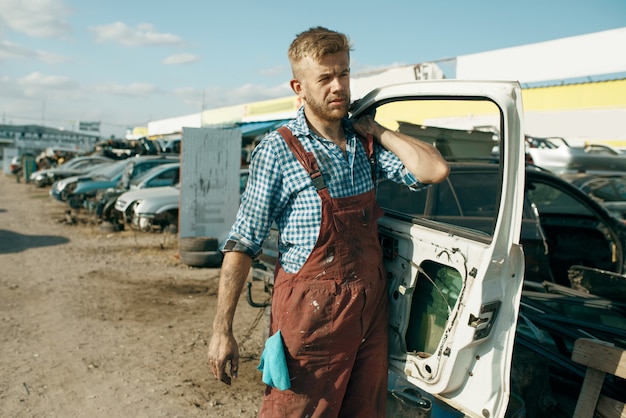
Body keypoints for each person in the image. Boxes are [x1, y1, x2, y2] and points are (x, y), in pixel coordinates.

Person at [207, 26, 449, 417]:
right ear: (298, 86)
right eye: (324, 77)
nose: (338, 86)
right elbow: (243, 243)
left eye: (345, 73)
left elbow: (433, 170)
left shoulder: (362, 146)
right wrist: (222, 330)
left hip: (368, 312)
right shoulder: (278, 150)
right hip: (311, 318)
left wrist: (379, 130)